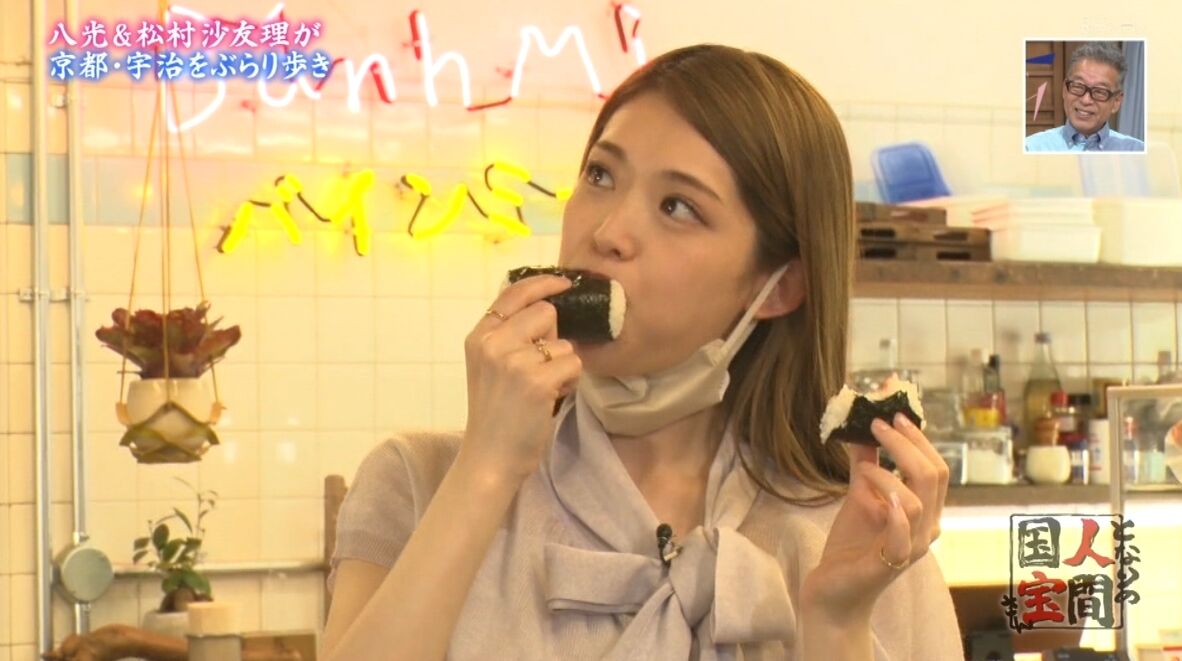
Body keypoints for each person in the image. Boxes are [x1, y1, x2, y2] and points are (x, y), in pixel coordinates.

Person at [322, 44, 962, 660]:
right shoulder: (418, 482)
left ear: (778, 288)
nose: (606, 233)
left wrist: (838, 625)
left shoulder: (867, 536)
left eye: (677, 206)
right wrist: (486, 469)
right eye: (600, 175)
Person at [1025, 41, 1145, 152]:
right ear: (1065, 90)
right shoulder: (1032, 148)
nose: (1085, 100)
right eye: (1078, 86)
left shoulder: (1137, 150)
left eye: (1099, 91)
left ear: (1116, 102)